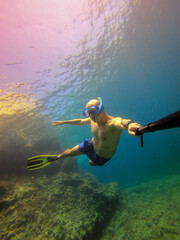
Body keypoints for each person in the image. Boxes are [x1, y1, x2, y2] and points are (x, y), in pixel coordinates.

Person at [51, 97, 141, 166]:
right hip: (91, 144)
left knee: (92, 163)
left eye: (92, 111)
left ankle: (92, 160)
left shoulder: (112, 123)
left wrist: (130, 125)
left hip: (102, 157)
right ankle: (59, 156)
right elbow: (80, 121)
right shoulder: (92, 120)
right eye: (87, 113)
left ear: (102, 108)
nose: (91, 116)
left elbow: (123, 122)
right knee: (69, 153)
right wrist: (64, 122)